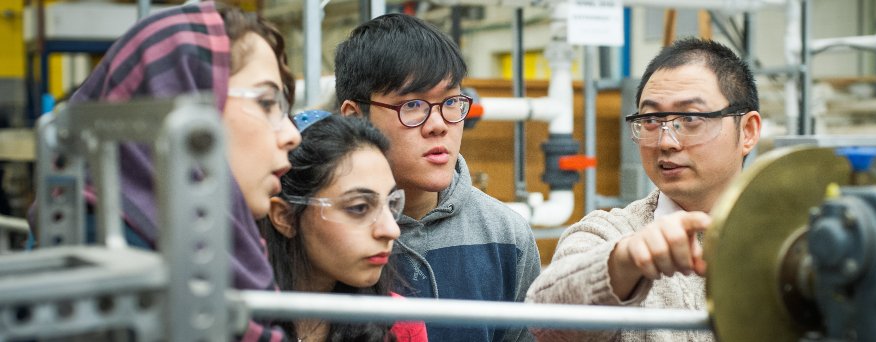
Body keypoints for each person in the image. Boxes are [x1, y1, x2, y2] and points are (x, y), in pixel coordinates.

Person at [61, 2, 300, 339]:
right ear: (182, 101)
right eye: (266, 102)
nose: (293, 135)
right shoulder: (114, 269)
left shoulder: (207, 249)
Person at [525, 37, 762, 341]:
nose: (666, 142)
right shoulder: (610, 233)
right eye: (651, 120)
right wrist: (626, 262)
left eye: (690, 118)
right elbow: (546, 323)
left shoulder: (792, 233)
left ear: (748, 131)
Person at [333, 13, 541, 341]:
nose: (438, 124)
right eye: (413, 104)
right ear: (354, 117)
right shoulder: (325, 229)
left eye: (451, 102)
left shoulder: (505, 234)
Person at [261, 111, 427, 342]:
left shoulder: (398, 323)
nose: (392, 230)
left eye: (392, 203)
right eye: (359, 207)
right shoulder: (229, 316)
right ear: (285, 217)